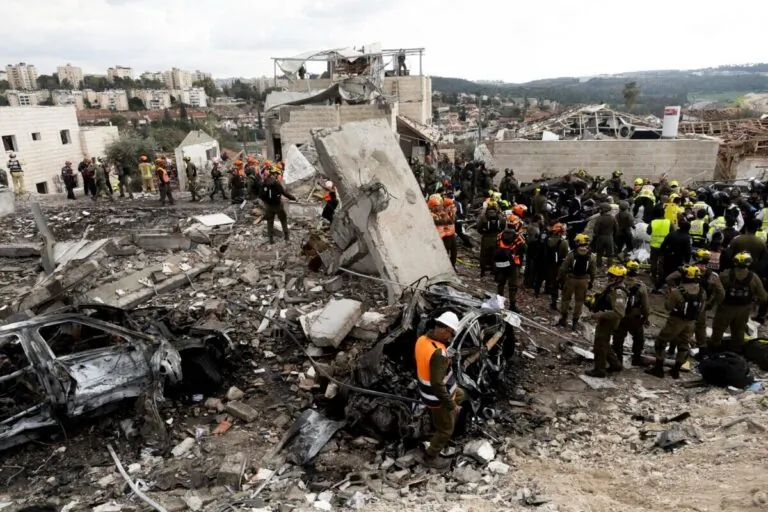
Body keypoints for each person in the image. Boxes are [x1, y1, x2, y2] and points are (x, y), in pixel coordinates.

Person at [414, 311, 466, 470]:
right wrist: (451, 405)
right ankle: (430, 456)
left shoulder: (422, 340)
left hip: (429, 391)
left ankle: (442, 421)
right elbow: (437, 384)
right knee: (446, 430)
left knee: (462, 395)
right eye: (451, 333)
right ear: (444, 330)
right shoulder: (439, 353)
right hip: (437, 398)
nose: (451, 338)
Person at [648, 265, 705, 379]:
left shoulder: (678, 292)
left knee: (661, 341)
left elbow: (668, 306)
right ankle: (676, 370)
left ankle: (658, 368)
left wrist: (669, 296)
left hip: (676, 320)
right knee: (683, 345)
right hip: (691, 322)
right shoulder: (701, 291)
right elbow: (702, 308)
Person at [709, 251, 768, 353]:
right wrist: (754, 303)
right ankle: (736, 351)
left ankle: (714, 348)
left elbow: (715, 290)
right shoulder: (754, 277)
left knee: (718, 329)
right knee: (739, 331)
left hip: (726, 307)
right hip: (744, 309)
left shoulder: (725, 274)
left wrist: (712, 303)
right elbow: (763, 296)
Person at [585, 264, 628, 378]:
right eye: (610, 275)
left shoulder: (619, 292)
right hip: (605, 318)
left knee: (600, 344)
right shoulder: (612, 287)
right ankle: (615, 364)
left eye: (613, 276)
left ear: (619, 278)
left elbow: (619, 313)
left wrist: (599, 315)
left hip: (609, 320)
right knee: (604, 343)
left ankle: (599, 370)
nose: (610, 278)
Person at [612, 260, 649, 367]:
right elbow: (645, 306)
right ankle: (636, 358)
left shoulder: (618, 283)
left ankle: (618, 360)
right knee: (638, 338)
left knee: (618, 338)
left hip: (620, 316)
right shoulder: (641, 286)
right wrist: (645, 317)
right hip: (634, 317)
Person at [558, 233, 597, 331]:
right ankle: (575, 323)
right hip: (583, 281)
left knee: (566, 299)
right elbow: (593, 272)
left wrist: (559, 278)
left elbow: (563, 268)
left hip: (571, 279)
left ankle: (563, 319)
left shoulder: (572, 254)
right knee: (579, 301)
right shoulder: (592, 256)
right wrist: (591, 282)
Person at [260, 168, 296, 244]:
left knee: (270, 222)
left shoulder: (264, 183)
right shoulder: (276, 183)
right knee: (283, 220)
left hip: (269, 206)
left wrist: (266, 202)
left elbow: (261, 195)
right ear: (274, 174)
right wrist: (293, 198)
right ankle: (286, 236)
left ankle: (271, 239)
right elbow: (284, 193)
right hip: (278, 206)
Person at [537, 222, 569, 310]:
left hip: (549, 265)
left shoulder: (547, 239)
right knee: (564, 286)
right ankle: (565, 304)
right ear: (560, 232)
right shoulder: (564, 242)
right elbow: (566, 256)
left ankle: (553, 303)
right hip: (560, 266)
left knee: (554, 285)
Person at [494, 228, 526, 313]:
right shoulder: (518, 237)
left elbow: (495, 247)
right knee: (512, 285)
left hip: (501, 262)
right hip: (513, 263)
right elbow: (524, 248)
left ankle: (499, 303)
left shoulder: (500, 235)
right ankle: (512, 305)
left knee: (501, 283)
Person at [476, 201, 505, 277]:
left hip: (486, 238)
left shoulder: (483, 217)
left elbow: (478, 228)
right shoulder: (500, 217)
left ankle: (482, 271)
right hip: (496, 239)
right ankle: (495, 272)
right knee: (495, 255)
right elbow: (503, 227)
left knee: (484, 255)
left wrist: (483, 233)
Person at [594, 203, 618, 268]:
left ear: (603, 210)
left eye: (600, 209)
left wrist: (596, 236)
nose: (599, 210)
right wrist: (613, 236)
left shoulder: (599, 218)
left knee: (599, 254)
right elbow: (616, 229)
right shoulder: (612, 218)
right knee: (610, 255)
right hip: (609, 237)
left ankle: (598, 267)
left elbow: (596, 230)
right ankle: (610, 267)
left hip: (600, 237)